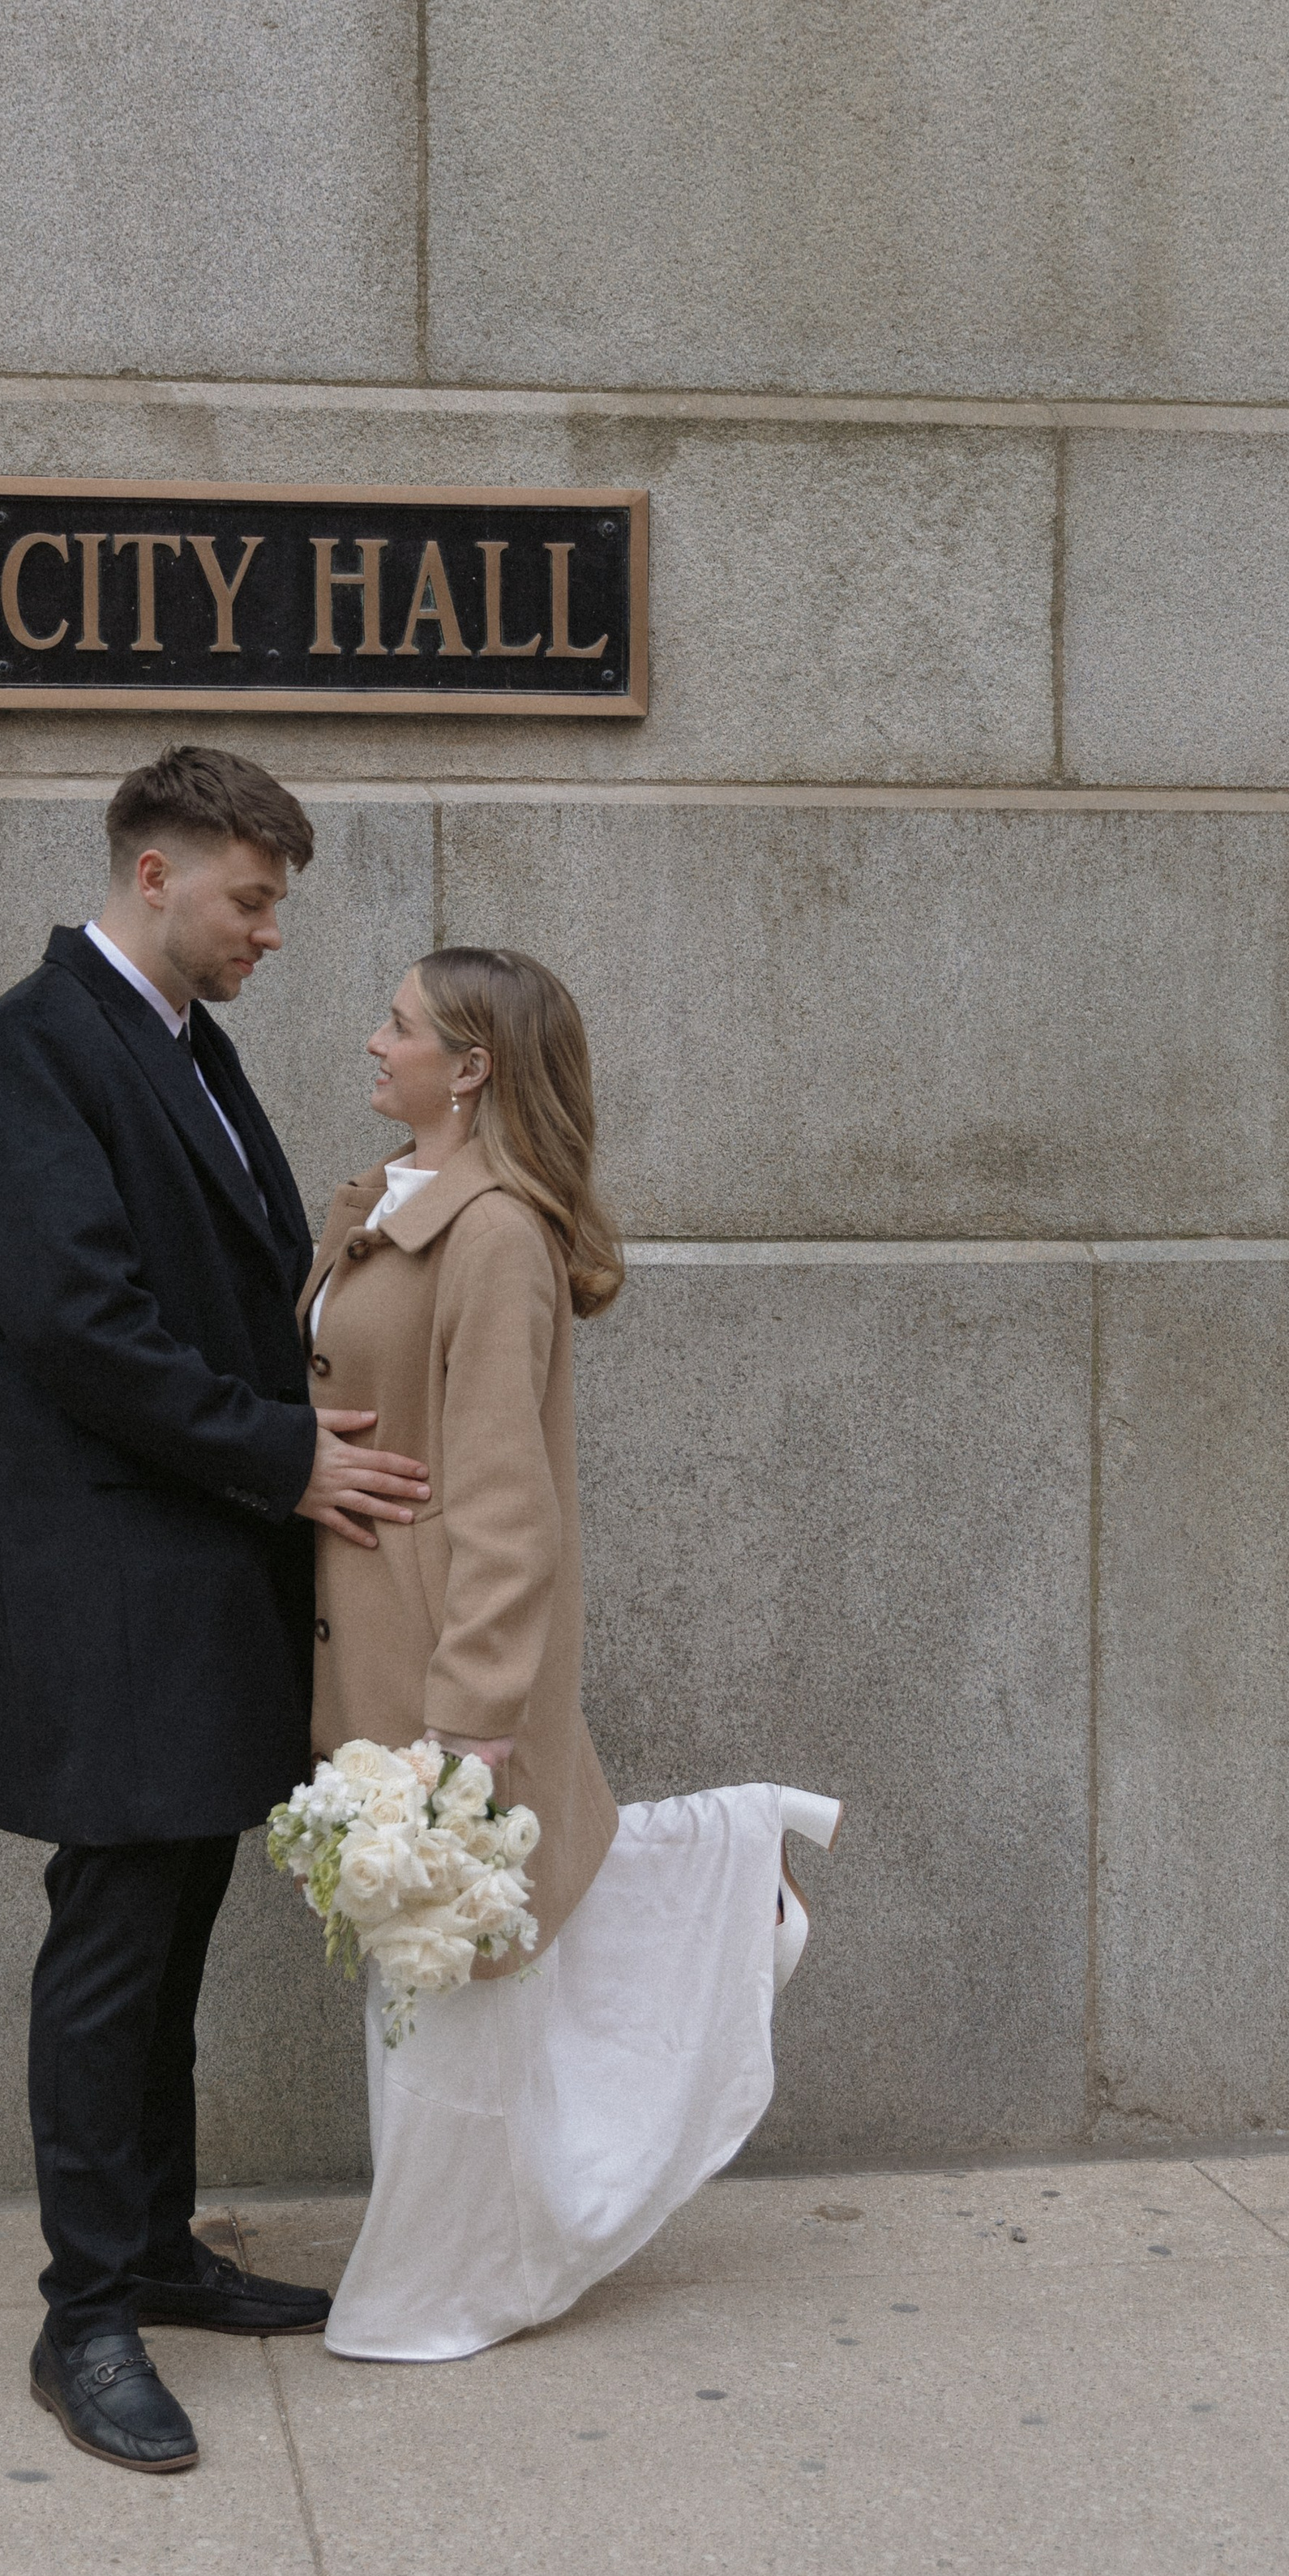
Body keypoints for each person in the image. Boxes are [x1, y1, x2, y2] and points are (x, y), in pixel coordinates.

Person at [0, 743, 432, 2471]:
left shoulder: (179, 1051)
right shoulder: (35, 1049)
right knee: (110, 1949)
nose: (267, 931)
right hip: (114, 1590)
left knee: (164, 1941)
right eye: (247, 897)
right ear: (153, 874)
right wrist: (281, 1456)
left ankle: (149, 2251)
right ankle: (83, 2319)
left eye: (275, 902)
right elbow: (78, 1328)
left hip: (193, 1581)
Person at [299, 948, 844, 2360]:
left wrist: (477, 1718)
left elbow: (504, 1499)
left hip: (436, 1672)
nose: (373, 1040)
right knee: (434, 1979)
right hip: (369, 1657)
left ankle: (446, 2283)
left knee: (452, 1987)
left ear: (469, 1066)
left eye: (399, 1025)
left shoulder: (491, 1235)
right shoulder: (389, 1206)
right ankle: (735, 1872)